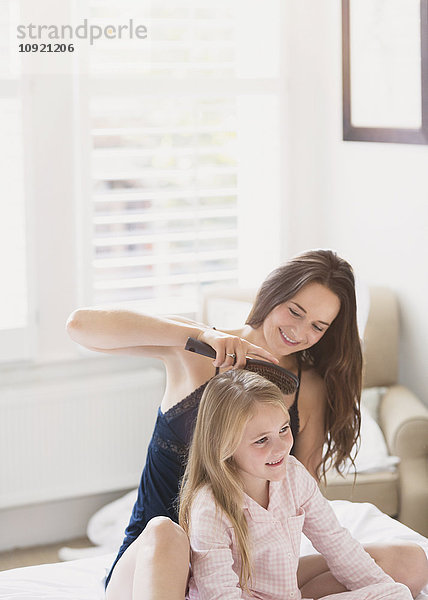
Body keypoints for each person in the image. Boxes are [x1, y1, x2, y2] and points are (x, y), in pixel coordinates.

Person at [66, 249, 428, 599]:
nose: (299, 333)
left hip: (247, 571)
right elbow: (80, 326)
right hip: (164, 563)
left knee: (409, 563)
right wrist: (198, 336)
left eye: (317, 326)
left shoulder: (309, 388)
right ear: (273, 294)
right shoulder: (198, 352)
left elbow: (300, 491)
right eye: (295, 312)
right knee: (165, 532)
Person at [179, 368, 411, 600]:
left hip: (288, 592)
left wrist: (382, 592)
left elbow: (336, 543)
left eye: (283, 429)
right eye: (261, 440)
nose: (280, 448)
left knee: (398, 591)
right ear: (224, 446)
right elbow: (220, 595)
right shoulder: (210, 507)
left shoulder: (293, 475)